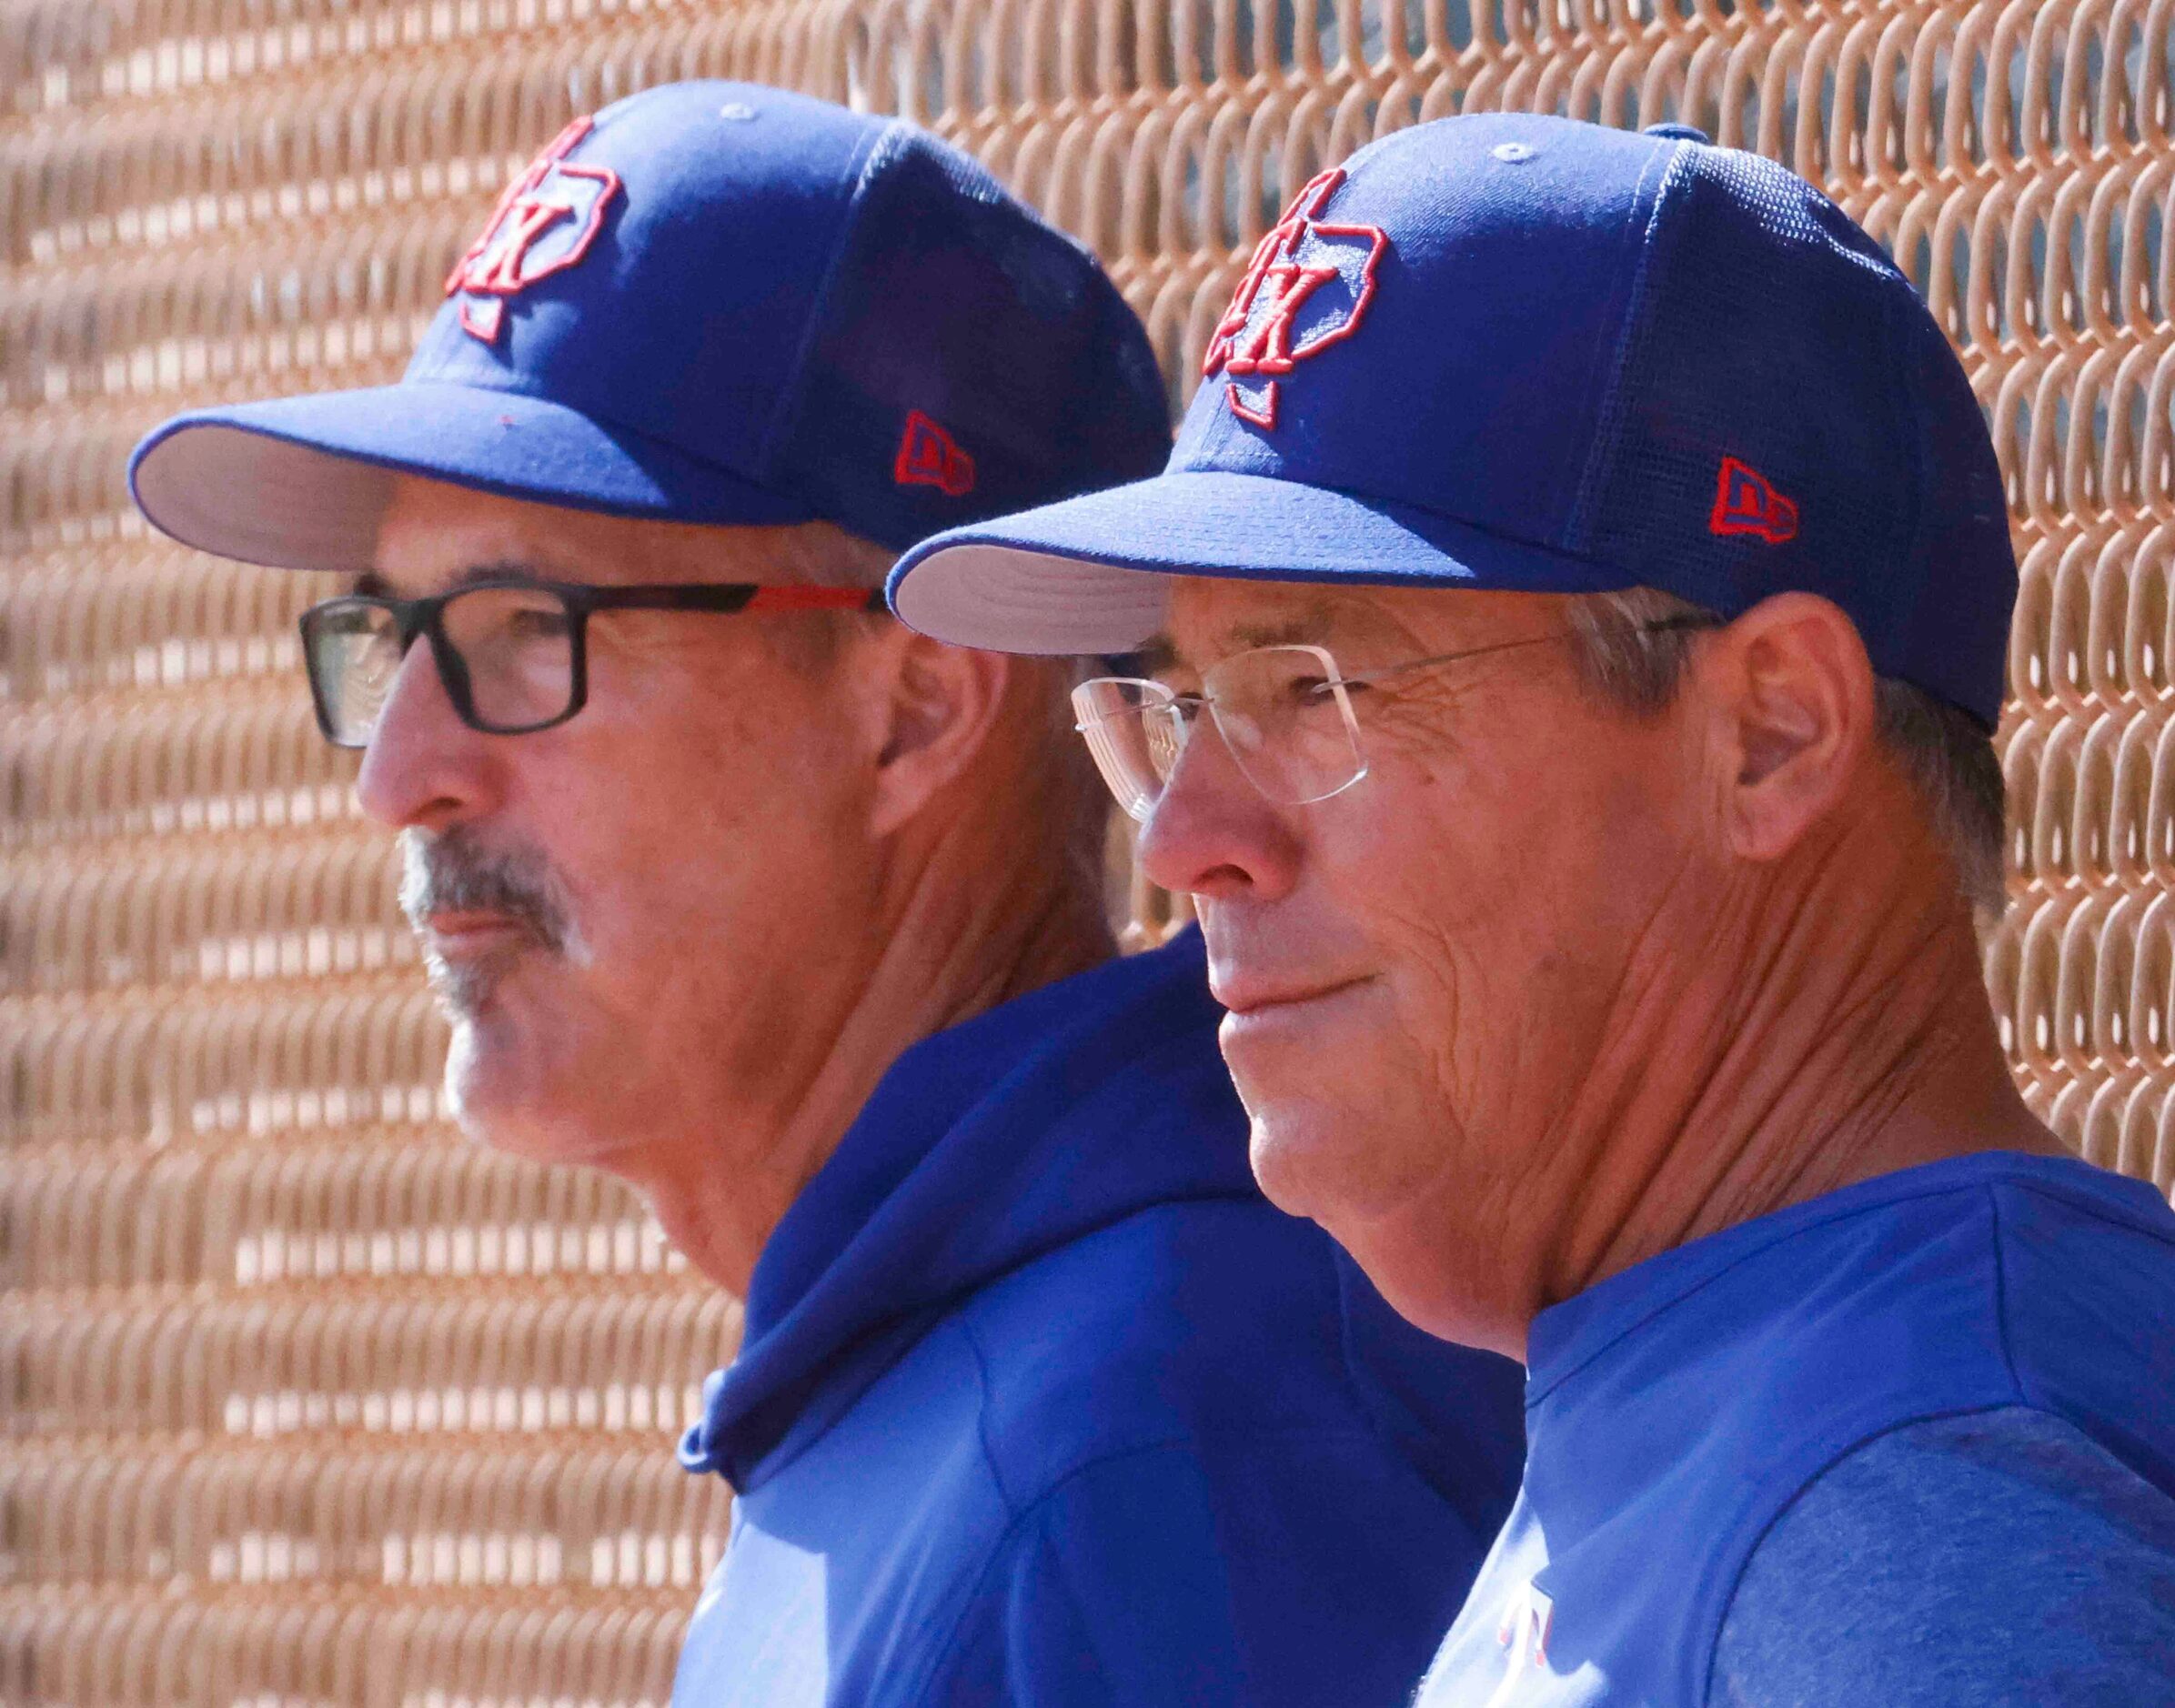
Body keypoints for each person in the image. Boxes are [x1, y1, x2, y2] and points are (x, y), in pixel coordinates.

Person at [129, 81, 1526, 1708]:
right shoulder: (976, 1371)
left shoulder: (1157, 1448)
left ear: (917, 705)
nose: (400, 775)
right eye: (394, 642)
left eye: (522, 629)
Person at [889, 114, 2175, 1703]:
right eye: (1184, 708)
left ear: (1766, 730)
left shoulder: (1923, 1533)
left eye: (1310, 685)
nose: (1189, 840)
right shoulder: (1742, 1394)